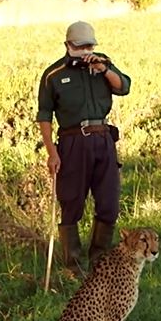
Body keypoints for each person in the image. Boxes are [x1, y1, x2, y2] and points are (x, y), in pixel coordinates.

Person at [36, 21, 131, 277]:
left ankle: (99, 261)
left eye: (89, 45)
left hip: (103, 139)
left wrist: (103, 69)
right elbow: (44, 114)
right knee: (71, 202)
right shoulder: (53, 75)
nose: (85, 50)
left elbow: (124, 87)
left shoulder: (103, 64)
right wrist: (51, 152)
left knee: (109, 202)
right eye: (80, 46)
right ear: (68, 45)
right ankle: (74, 267)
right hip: (72, 141)